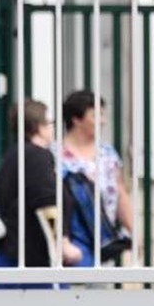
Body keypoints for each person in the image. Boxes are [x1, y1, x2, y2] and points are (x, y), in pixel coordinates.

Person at [0, 100, 81, 271]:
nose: (53, 128)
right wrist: (62, 244)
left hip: (10, 255)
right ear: (39, 127)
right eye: (50, 123)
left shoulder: (15, 154)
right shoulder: (36, 157)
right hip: (30, 262)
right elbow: (46, 203)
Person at [58, 90, 134, 266]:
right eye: (95, 115)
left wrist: (133, 230)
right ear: (76, 119)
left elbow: (120, 192)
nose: (103, 121)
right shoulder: (55, 155)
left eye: (103, 115)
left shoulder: (107, 153)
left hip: (104, 240)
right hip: (72, 241)